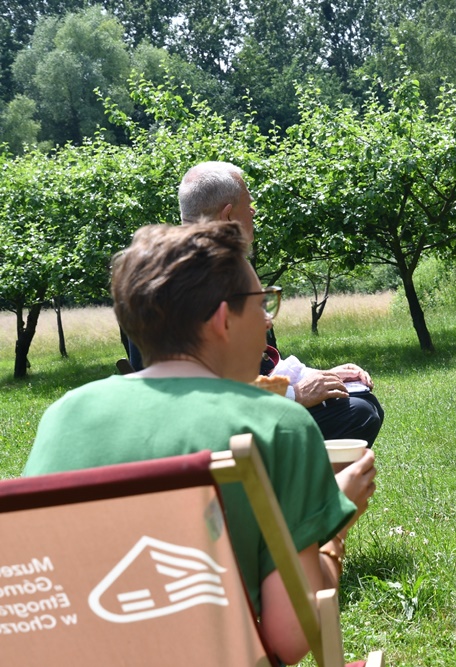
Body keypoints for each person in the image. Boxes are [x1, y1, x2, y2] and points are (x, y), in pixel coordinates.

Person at [24, 221, 376, 665]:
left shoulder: (63, 416)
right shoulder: (278, 425)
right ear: (222, 319)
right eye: (261, 303)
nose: (267, 319)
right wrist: (336, 523)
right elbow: (292, 637)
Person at [127, 161, 385, 447]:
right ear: (228, 216)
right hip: (213, 432)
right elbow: (194, 392)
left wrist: (317, 377)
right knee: (358, 414)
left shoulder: (182, 269)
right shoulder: (187, 282)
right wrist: (295, 395)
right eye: (248, 205)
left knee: (361, 402)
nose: (253, 213)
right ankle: (297, 490)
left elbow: (260, 365)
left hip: (225, 411)